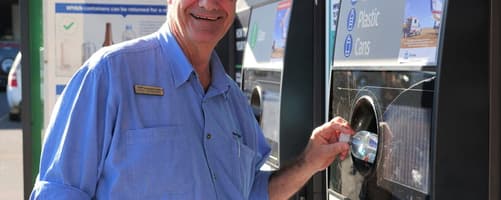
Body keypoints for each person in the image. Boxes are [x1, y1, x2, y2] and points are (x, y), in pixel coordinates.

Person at [30, 0, 355, 199]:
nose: (209, 4)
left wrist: (308, 162)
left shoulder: (232, 100)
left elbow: (251, 194)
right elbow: (59, 192)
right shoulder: (110, 74)